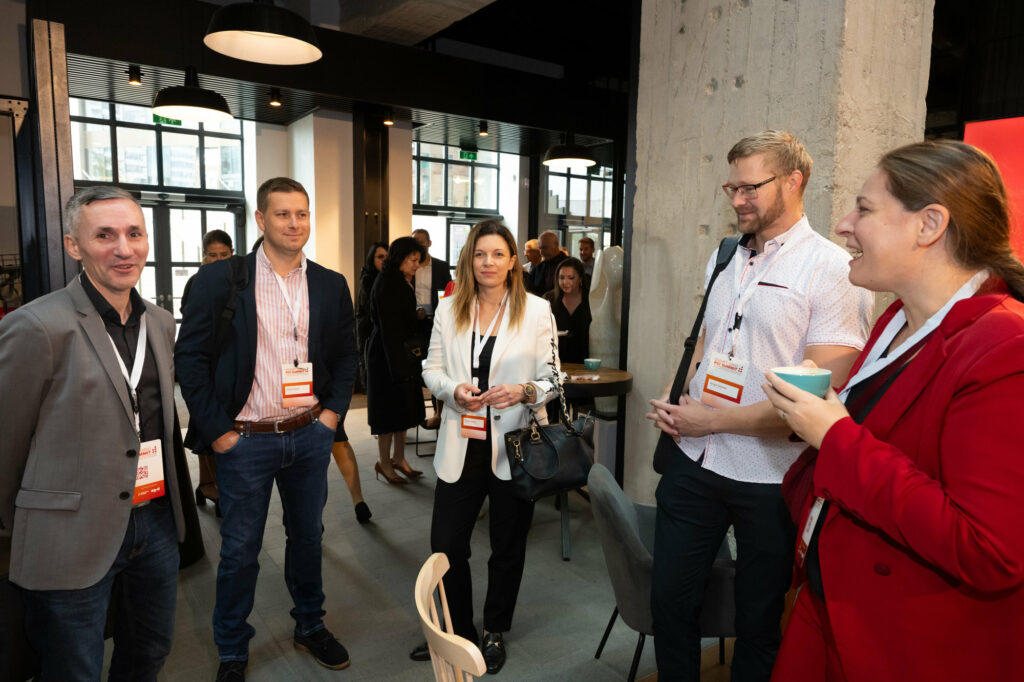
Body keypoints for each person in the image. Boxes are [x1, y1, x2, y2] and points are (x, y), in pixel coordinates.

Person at [763, 140, 1024, 682]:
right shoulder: (898, 319)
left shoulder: (1006, 347)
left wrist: (834, 436)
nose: (843, 224)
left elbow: (988, 550)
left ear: (929, 225)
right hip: (833, 603)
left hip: (903, 641)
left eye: (864, 208)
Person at [646, 130, 873, 681]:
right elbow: (709, 339)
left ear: (794, 181)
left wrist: (711, 420)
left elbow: (814, 401)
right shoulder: (725, 254)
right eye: (733, 188)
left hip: (773, 479)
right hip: (694, 461)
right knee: (670, 606)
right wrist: (680, 396)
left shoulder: (833, 270)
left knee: (759, 622)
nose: (739, 199)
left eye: (752, 187)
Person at [175, 177, 357, 680]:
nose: (294, 223)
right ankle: (233, 648)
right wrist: (219, 433)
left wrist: (331, 417)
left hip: (308, 433)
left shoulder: (330, 284)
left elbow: (346, 356)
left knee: (308, 537)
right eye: (282, 214)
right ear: (260, 219)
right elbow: (189, 360)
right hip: (245, 440)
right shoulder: (220, 281)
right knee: (239, 550)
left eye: (302, 213)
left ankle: (310, 624)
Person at [0, 186, 185, 680]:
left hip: (155, 523)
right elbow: (5, 445)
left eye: (134, 234)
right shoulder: (36, 326)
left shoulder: (160, 323)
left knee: (148, 654)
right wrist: (24, 526)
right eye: (104, 235)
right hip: (70, 532)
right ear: (73, 245)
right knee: (73, 668)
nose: (124, 249)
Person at [417, 219, 558, 674]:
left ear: (513, 260)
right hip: (461, 441)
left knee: (507, 545)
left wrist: (523, 391)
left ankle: (495, 628)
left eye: (498, 254)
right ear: (469, 260)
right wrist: (452, 390)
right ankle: (459, 631)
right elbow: (431, 369)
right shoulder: (449, 308)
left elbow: (554, 379)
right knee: (446, 545)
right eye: (480, 254)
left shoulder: (536, 311)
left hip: (514, 447)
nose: (488, 262)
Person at [181, 228, 235, 517]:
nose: (218, 260)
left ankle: (206, 484)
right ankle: (211, 485)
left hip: (227, 362)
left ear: (232, 254)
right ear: (203, 256)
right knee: (207, 425)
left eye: (224, 255)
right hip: (207, 363)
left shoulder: (238, 280)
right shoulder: (198, 282)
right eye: (212, 255)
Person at [365, 236, 428, 484]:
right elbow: (390, 330)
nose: (416, 265)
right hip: (387, 356)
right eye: (413, 260)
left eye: (418, 261)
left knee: (403, 410)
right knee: (388, 413)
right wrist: (399, 367)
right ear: (400, 258)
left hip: (399, 353)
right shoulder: (388, 283)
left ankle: (399, 458)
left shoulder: (399, 281)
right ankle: (384, 462)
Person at [412, 228, 453, 429]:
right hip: (413, 323)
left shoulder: (441, 266)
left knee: (438, 366)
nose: (418, 245)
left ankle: (438, 413)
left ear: (429, 243)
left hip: (436, 321)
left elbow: (448, 293)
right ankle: (414, 414)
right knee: (414, 369)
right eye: (414, 241)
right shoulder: (409, 266)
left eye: (421, 241)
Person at [545, 257, 591, 364]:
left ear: (580, 279)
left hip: (585, 360)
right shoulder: (549, 299)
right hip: (555, 360)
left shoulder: (591, 299)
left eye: (571, 278)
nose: (565, 282)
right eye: (561, 278)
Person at [528, 230, 567, 296]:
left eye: (545, 248)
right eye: (540, 248)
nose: (541, 252)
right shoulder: (537, 269)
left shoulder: (570, 264)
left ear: (556, 245)